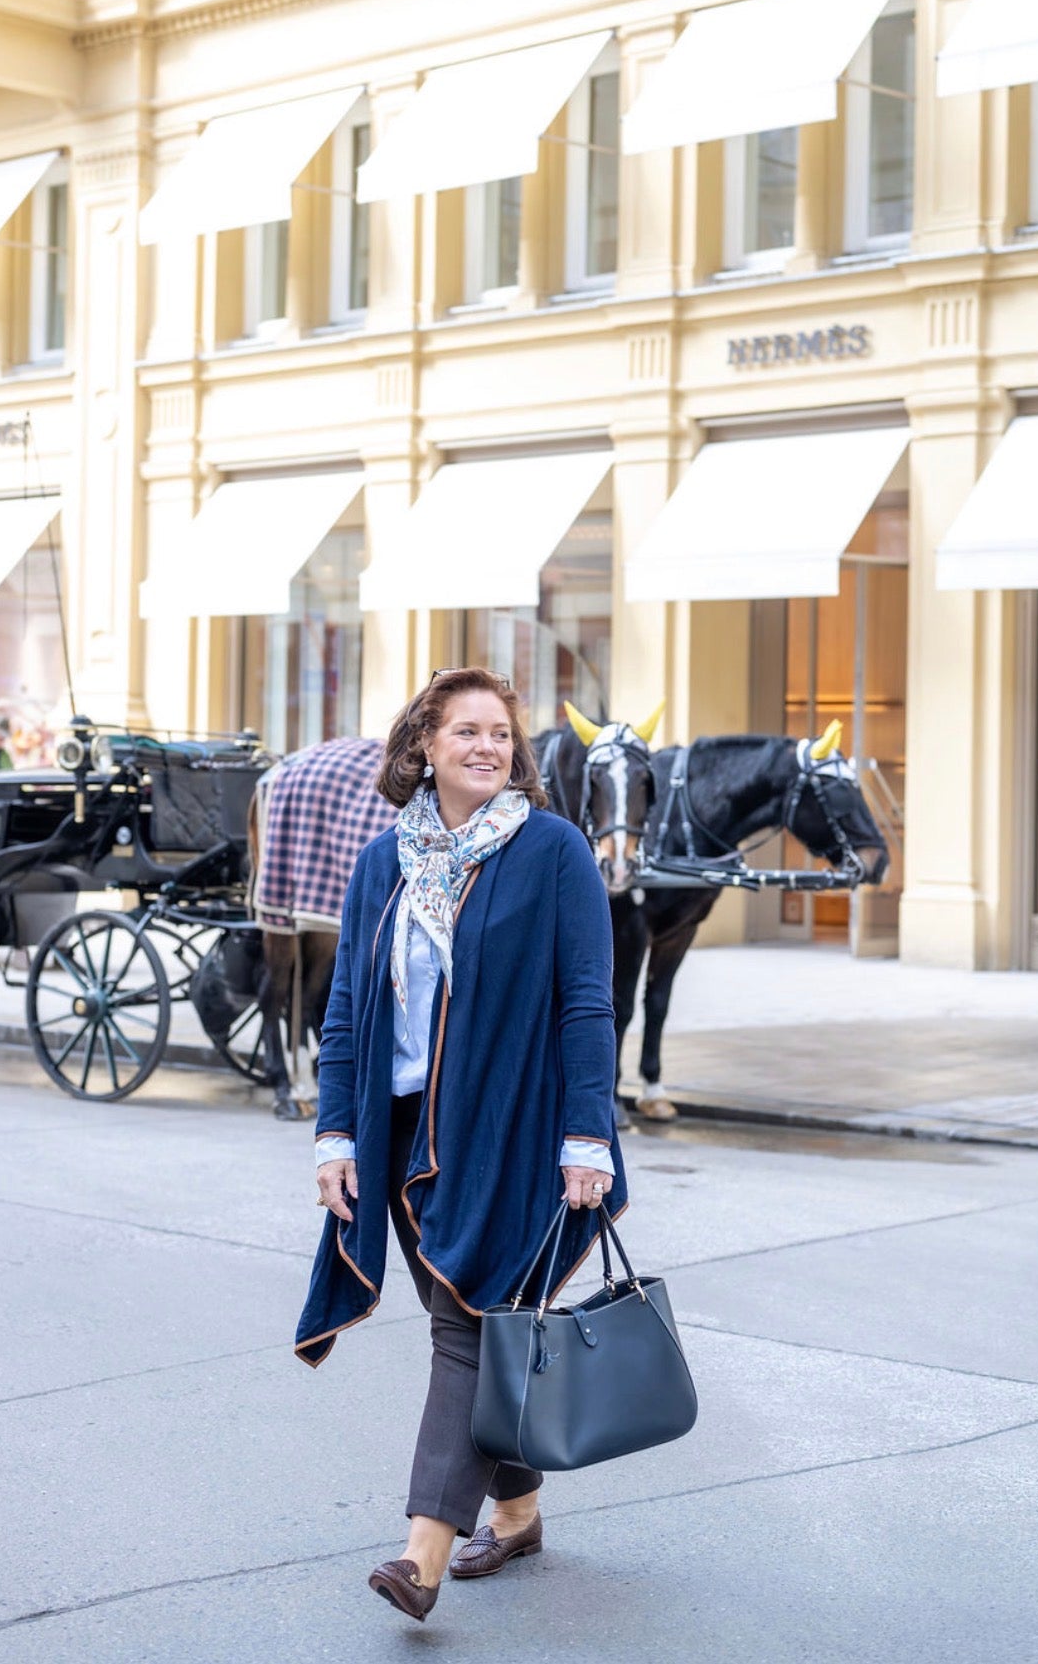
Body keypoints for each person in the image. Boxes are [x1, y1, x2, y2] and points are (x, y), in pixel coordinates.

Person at [296, 667, 626, 1623]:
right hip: (404, 1136)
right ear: (424, 747)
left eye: (500, 733)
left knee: (463, 1328)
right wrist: (335, 1132)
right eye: (466, 731)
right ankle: (516, 1511)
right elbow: (350, 1009)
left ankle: (421, 1553)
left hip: (517, 1128)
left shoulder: (553, 851)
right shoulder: (381, 864)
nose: (488, 746)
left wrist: (588, 1135)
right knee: (487, 1316)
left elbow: (587, 1001)